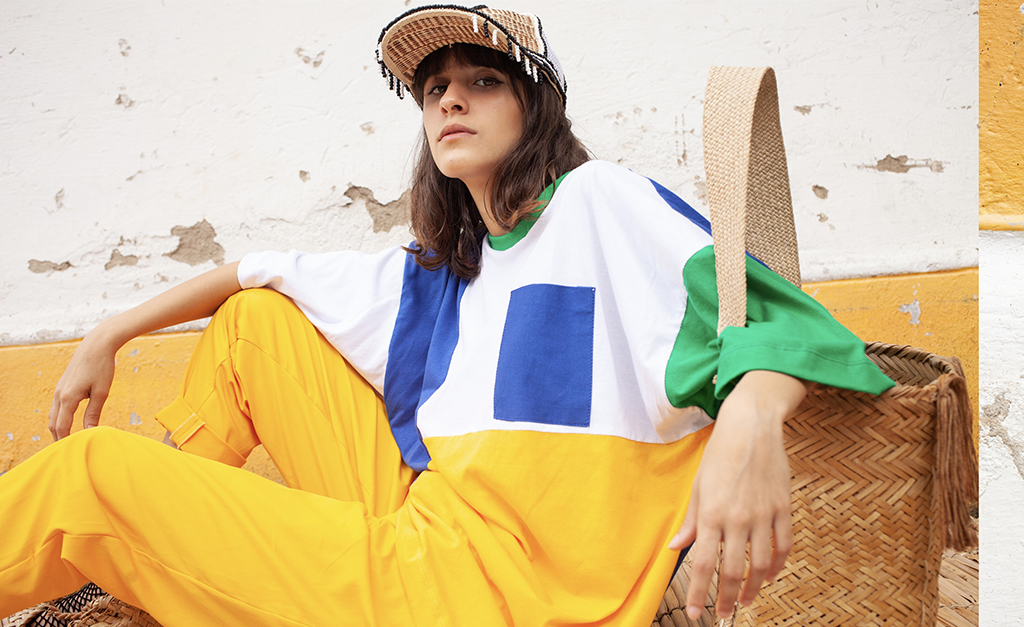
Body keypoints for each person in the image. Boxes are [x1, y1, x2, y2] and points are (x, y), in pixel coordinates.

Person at [0, 5, 894, 626]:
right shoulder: (446, 275)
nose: (451, 100)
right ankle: (124, 573)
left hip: (488, 599)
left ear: (534, 105)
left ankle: (110, 543)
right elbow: (252, 270)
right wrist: (110, 331)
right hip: (432, 542)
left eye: (482, 80)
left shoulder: (600, 205)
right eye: (435, 89)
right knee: (255, 323)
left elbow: (783, 315)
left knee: (86, 477)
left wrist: (749, 419)